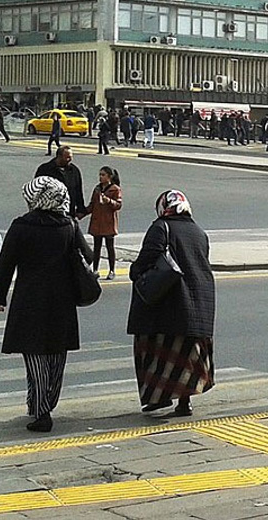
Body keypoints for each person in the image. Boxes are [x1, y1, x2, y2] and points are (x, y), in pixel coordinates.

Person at [0, 177, 93, 432]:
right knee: (57, 354)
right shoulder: (69, 225)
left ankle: (41, 411)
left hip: (30, 299)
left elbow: (5, 263)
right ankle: (48, 400)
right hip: (62, 300)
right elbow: (88, 257)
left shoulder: (21, 226)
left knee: (35, 356)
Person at [128, 189, 216, 416]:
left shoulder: (161, 227)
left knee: (157, 353)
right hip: (197, 305)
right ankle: (184, 403)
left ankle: (158, 397)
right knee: (187, 357)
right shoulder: (199, 232)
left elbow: (147, 260)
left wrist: (134, 271)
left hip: (165, 305)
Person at [86, 166, 123, 280]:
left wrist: (109, 201)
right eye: (100, 175)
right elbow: (92, 205)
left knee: (109, 247)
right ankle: (95, 269)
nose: (100, 177)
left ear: (109, 177)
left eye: (103, 175)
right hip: (97, 221)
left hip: (108, 222)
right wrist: (82, 213)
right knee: (96, 247)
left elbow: (118, 205)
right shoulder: (97, 189)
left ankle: (112, 270)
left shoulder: (115, 189)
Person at [36, 147, 87, 219]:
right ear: (59, 156)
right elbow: (37, 191)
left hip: (68, 212)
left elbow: (78, 191)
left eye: (71, 157)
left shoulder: (74, 170)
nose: (70, 160)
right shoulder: (45, 169)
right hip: (49, 213)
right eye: (67, 157)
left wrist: (80, 209)